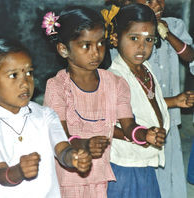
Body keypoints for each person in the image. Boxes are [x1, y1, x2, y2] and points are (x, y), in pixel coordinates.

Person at [42, 6, 166, 197]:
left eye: (101, 43)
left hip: (101, 176)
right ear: (64, 49)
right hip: (69, 178)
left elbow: (128, 125)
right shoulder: (57, 87)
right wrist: (84, 144)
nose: (96, 52)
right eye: (86, 45)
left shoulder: (115, 83)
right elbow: (58, 135)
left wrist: (144, 135)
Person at [0, 38, 93, 198]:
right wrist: (19, 171)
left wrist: (73, 158)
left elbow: (62, 148)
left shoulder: (45, 115)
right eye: (13, 75)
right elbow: (0, 174)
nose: (25, 83)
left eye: (29, 73)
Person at [105, 1, 194, 197]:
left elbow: (147, 99)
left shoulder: (145, 68)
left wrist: (175, 101)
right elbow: (104, 124)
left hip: (145, 160)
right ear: (114, 39)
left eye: (149, 40)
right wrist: (141, 135)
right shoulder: (115, 78)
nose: (142, 47)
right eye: (134, 38)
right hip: (126, 164)